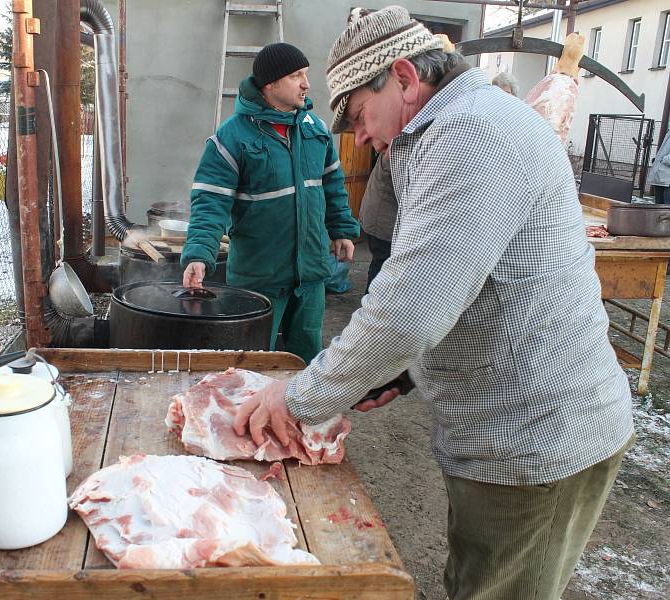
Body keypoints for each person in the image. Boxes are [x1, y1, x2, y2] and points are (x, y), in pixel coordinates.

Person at [233, 7, 633, 600]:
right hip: (505, 429)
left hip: (537, 434)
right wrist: (404, 373)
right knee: (472, 578)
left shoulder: (475, 131)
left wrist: (301, 398)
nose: (360, 137)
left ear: (402, 77)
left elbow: (413, 302)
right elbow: (463, 278)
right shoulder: (455, 125)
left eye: (360, 117)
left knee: (492, 590)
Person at [181, 42, 359, 364]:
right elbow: (210, 202)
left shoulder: (315, 130)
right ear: (270, 84)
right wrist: (199, 253)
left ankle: (301, 415)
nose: (306, 83)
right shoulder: (232, 138)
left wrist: (341, 228)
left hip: (311, 273)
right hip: (259, 276)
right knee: (252, 359)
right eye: (296, 76)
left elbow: (332, 185)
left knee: (304, 360)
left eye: (305, 74)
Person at [359, 153, 396, 293]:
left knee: (378, 263)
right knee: (381, 267)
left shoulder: (391, 148)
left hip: (376, 219)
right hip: (384, 223)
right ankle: (371, 307)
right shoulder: (396, 151)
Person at [647, 131, 670, 204]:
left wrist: (663, 159)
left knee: (665, 209)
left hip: (666, 178)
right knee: (659, 208)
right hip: (662, 176)